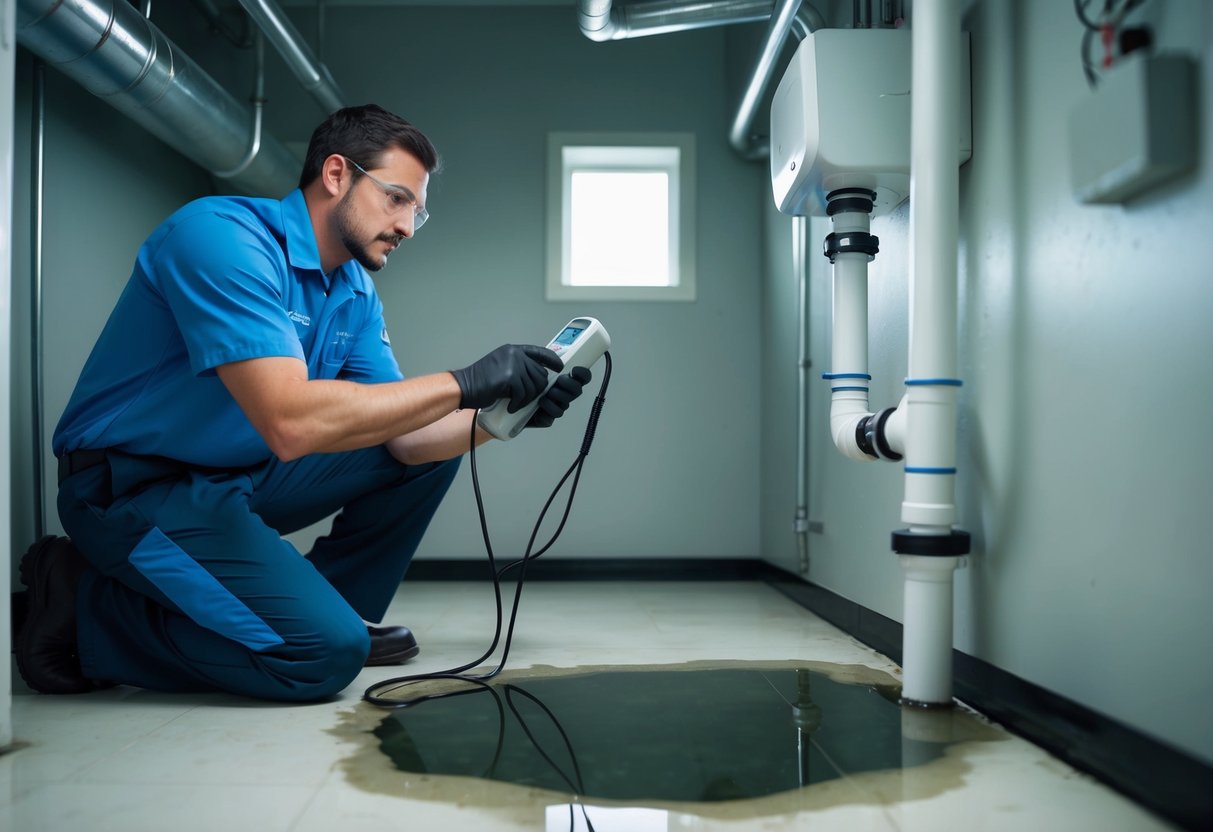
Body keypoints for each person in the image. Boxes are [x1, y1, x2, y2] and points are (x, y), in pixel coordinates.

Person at [15, 104, 591, 702]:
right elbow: (290, 422)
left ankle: (323, 605)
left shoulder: (353, 289)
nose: (409, 226)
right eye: (396, 198)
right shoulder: (220, 237)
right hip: (132, 487)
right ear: (337, 174)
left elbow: (406, 438)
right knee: (321, 657)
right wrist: (464, 382)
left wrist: (501, 418)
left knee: (422, 447)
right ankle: (83, 603)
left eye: (418, 210)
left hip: (241, 472)